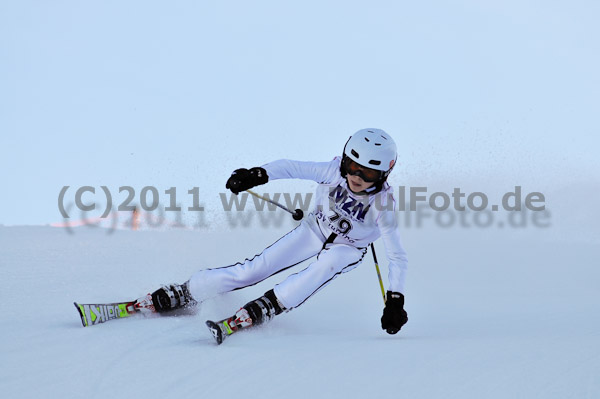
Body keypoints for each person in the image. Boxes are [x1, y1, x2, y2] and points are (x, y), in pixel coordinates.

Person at [146, 128, 409, 342]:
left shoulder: (382, 205)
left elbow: (396, 256)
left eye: (368, 172)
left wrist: (395, 300)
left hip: (348, 248)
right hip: (315, 229)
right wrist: (257, 175)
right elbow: (291, 167)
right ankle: (189, 290)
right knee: (254, 269)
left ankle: (272, 303)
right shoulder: (332, 172)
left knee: (326, 266)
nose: (356, 176)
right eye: (352, 165)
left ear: (383, 174)